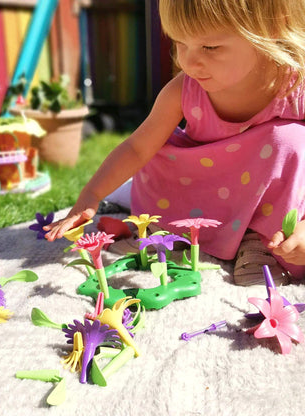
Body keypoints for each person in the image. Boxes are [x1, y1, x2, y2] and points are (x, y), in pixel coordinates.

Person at [45, 0, 305, 286]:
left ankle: (258, 241)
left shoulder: (293, 86)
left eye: (210, 47)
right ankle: (171, 230)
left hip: (262, 198)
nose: (188, 62)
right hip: (201, 189)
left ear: (270, 29)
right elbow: (136, 148)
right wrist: (91, 194)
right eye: (180, 43)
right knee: (157, 148)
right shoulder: (184, 89)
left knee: (289, 140)